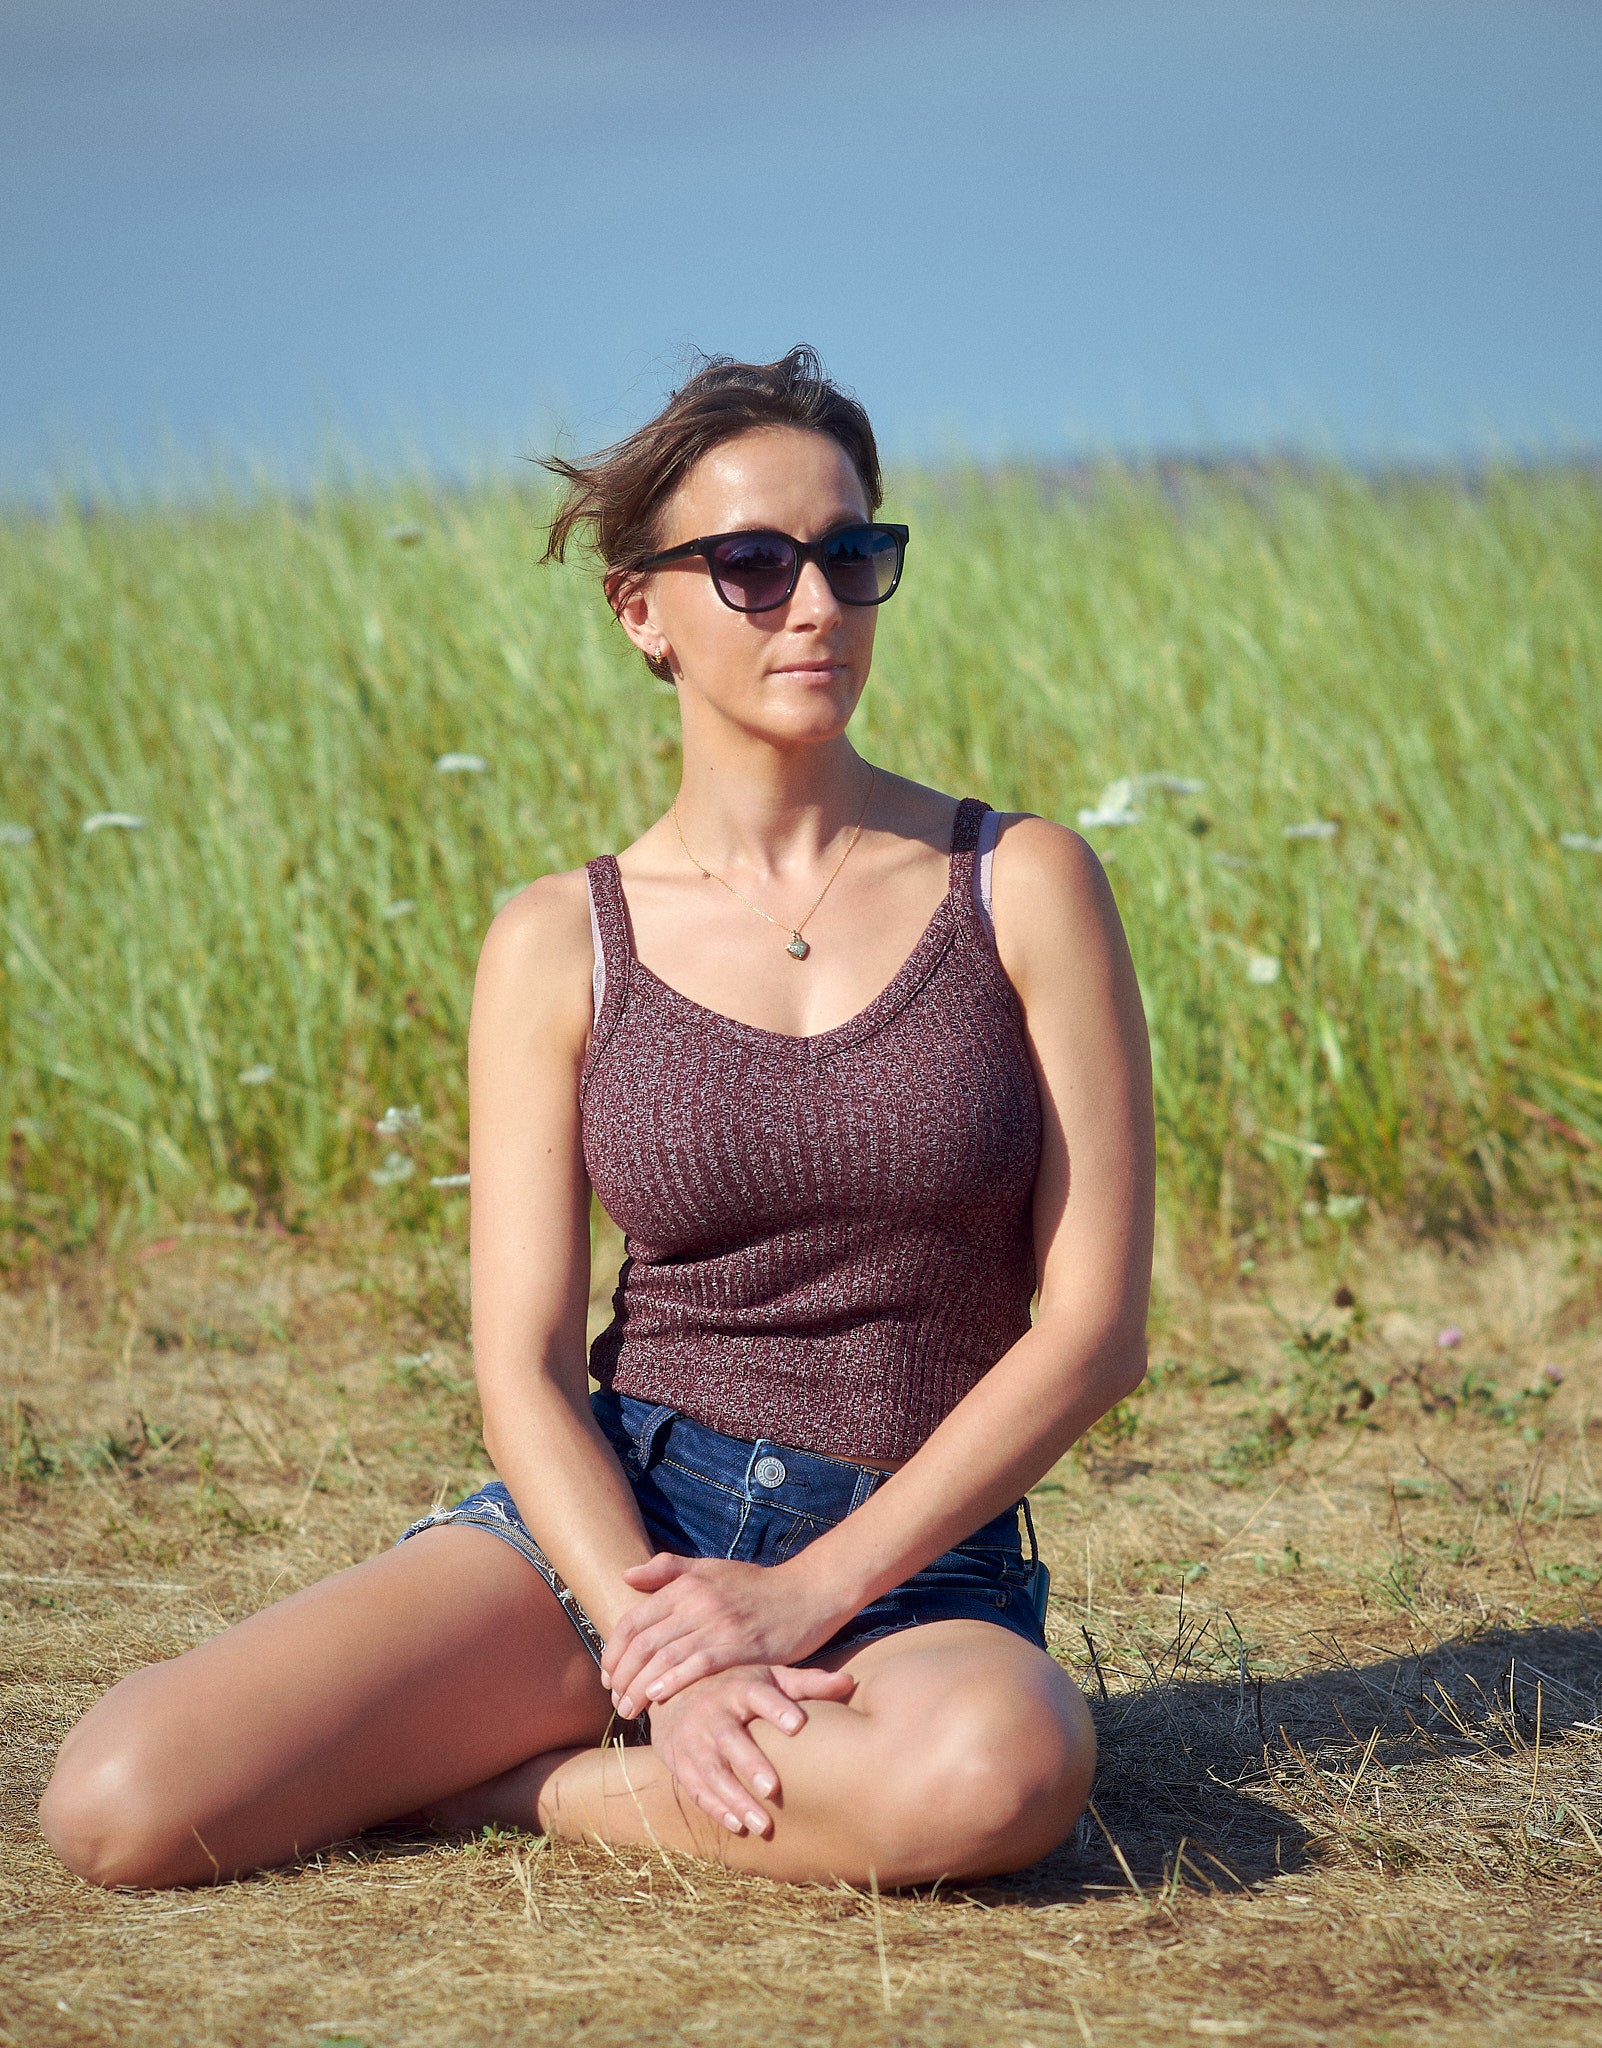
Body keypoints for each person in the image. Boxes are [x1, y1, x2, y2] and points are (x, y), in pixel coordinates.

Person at [40, 348, 1154, 1891]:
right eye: (755, 566)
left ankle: (526, 1791)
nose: (817, 603)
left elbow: (1093, 1332)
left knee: (994, 1777)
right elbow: (522, 1366)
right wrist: (663, 1640)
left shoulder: (1020, 885)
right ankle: (645, 1726)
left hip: (910, 1570)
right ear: (644, 611)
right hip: (626, 1521)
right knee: (120, 1804)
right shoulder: (558, 942)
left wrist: (791, 1601)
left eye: (854, 554)